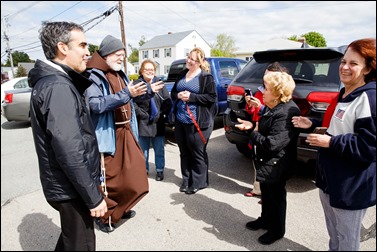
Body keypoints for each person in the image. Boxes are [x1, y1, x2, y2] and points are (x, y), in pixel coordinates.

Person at [28, 21, 107, 251]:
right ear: (63, 48)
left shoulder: (58, 82)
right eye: (82, 45)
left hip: (69, 185)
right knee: (80, 244)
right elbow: (69, 149)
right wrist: (93, 196)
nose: (87, 52)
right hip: (71, 188)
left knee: (71, 240)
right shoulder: (58, 87)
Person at [292, 38, 376, 251]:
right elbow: (339, 126)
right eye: (343, 61)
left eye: (353, 63)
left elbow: (369, 146)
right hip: (330, 180)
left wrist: (330, 142)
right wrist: (313, 123)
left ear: (368, 68)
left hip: (351, 185)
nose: (345, 67)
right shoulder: (345, 93)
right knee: (334, 235)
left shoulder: (369, 98)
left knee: (347, 240)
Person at [84, 35, 161, 232]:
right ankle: (107, 218)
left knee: (133, 176)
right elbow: (95, 105)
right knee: (110, 179)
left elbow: (131, 98)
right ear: (107, 54)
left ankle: (123, 207)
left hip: (127, 131)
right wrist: (127, 94)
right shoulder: (93, 75)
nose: (121, 59)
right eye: (119, 55)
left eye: (123, 55)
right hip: (109, 134)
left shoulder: (119, 72)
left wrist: (148, 91)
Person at [235, 71, 301, 245]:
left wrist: (251, 132)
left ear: (278, 93)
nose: (262, 92)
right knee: (266, 192)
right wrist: (252, 125)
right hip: (267, 161)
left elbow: (272, 144)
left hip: (277, 163)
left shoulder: (287, 111)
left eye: (266, 88)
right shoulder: (274, 107)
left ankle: (277, 230)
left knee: (276, 196)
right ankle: (265, 220)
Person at [170, 47, 217, 195]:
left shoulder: (205, 77)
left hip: (197, 121)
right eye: (188, 57)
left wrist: (191, 97)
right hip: (180, 120)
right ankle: (186, 179)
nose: (188, 61)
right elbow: (173, 93)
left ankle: (198, 182)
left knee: (197, 152)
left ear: (199, 62)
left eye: (192, 59)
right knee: (184, 151)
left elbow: (211, 98)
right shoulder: (182, 74)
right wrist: (178, 96)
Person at [244, 62, 288, 203]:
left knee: (268, 163)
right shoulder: (260, 89)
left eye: (269, 76)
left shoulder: (282, 97)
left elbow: (272, 112)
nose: (265, 79)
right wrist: (250, 104)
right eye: (264, 75)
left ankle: (267, 194)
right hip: (258, 127)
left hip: (265, 131)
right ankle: (258, 189)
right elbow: (254, 111)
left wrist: (261, 107)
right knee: (257, 159)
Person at [134, 59, 172, 181]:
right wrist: (142, 114)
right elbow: (132, 104)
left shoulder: (160, 84)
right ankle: (144, 169)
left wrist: (162, 114)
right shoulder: (137, 84)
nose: (150, 72)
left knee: (159, 149)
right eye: (147, 69)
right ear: (141, 71)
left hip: (158, 122)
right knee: (143, 150)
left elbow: (168, 101)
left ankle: (160, 170)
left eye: (152, 70)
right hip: (143, 122)